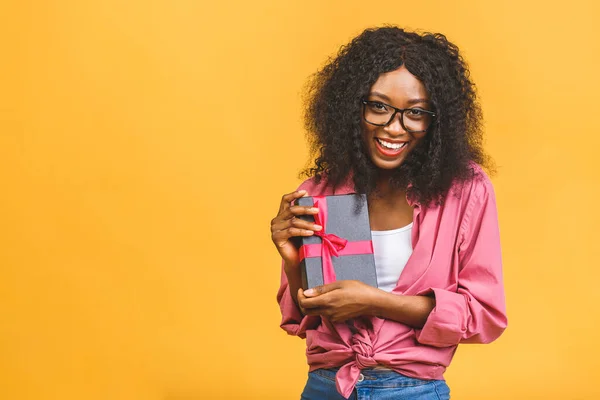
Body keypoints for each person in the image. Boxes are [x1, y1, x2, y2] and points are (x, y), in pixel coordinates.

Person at [270, 26, 507, 400]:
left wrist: (375, 301)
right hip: (327, 388)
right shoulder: (318, 194)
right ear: (352, 105)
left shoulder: (465, 191)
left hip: (413, 391)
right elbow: (303, 316)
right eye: (378, 106)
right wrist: (291, 261)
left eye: (414, 112)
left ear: (435, 120)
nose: (394, 128)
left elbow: (483, 316)